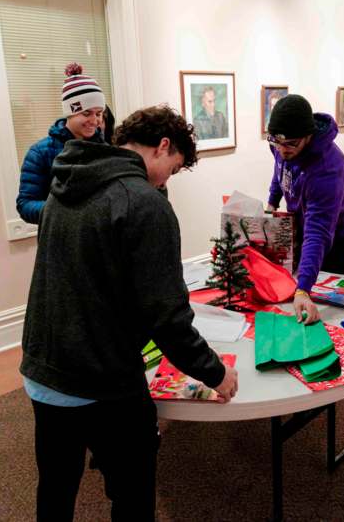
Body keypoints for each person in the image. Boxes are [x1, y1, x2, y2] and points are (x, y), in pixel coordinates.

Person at [20, 105, 239, 521]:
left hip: (44, 368)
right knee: (133, 492)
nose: (165, 181)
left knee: (56, 486)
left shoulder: (65, 182)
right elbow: (167, 315)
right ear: (162, 147)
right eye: (171, 170)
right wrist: (214, 372)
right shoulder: (143, 202)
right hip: (101, 377)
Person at [265, 94, 344, 324]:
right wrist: (272, 203)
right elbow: (280, 170)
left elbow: (317, 233)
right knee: (295, 283)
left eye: (290, 144)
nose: (282, 149)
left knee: (323, 300)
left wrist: (303, 290)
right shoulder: (283, 143)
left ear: (308, 136)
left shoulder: (329, 168)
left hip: (334, 232)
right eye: (276, 141)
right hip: (299, 219)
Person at [16, 62, 113, 224]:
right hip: (60, 241)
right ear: (70, 113)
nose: (94, 120)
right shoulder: (40, 152)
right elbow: (25, 205)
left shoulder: (106, 150)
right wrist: (67, 212)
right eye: (86, 113)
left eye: (99, 113)